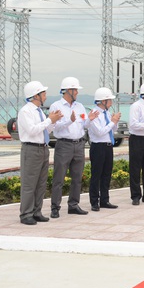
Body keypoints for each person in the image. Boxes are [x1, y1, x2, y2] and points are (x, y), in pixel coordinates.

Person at [17, 81, 62, 225]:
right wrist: (49, 119)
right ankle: (26, 214)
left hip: (43, 148)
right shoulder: (26, 111)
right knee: (29, 183)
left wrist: (53, 121)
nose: (45, 96)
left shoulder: (39, 111)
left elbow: (45, 130)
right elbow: (32, 130)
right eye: (43, 93)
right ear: (36, 95)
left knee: (41, 183)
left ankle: (36, 211)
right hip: (31, 149)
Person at [49, 77, 89, 218]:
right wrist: (69, 121)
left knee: (77, 177)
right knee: (59, 177)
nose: (77, 92)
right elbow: (54, 127)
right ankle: (55, 207)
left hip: (79, 144)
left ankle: (73, 205)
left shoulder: (80, 107)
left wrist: (91, 120)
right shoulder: (56, 106)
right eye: (75, 89)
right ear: (68, 91)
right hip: (64, 145)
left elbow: (84, 123)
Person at [86, 87, 121, 211]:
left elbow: (113, 130)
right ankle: (94, 201)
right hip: (98, 146)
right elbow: (100, 132)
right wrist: (112, 122)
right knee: (97, 175)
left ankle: (105, 200)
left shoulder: (106, 113)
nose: (111, 102)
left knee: (107, 174)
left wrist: (115, 122)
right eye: (109, 100)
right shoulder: (94, 114)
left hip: (107, 146)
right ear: (103, 101)